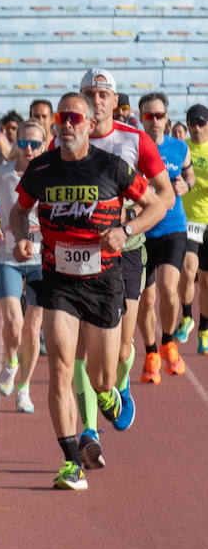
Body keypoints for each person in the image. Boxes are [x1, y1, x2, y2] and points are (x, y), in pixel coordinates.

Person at [10, 91, 165, 489]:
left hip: (103, 281)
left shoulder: (113, 168)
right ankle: (69, 462)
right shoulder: (41, 169)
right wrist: (20, 237)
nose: (67, 124)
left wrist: (127, 230)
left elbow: (157, 206)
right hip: (58, 281)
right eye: (62, 117)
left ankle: (109, 396)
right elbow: (18, 209)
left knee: (101, 378)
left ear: (90, 126)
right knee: (60, 366)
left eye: (75, 118)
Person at [72, 68, 172, 461]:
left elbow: (162, 196)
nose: (96, 100)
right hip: (80, 253)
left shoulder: (135, 140)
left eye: (102, 94)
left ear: (115, 101)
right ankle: (89, 433)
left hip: (127, 249)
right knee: (82, 347)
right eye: (88, 93)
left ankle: (120, 383)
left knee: (117, 351)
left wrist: (128, 222)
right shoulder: (65, 140)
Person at [0, 120, 46, 413]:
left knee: (32, 331)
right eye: (24, 143)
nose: (29, 149)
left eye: (35, 144)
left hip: (43, 259)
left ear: (44, 147)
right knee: (13, 323)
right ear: (16, 144)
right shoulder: (3, 174)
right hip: (8, 258)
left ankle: (24, 388)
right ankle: (10, 361)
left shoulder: (50, 175)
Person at [135, 92, 193, 384]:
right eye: (149, 115)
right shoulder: (134, 149)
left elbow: (189, 177)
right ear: (141, 117)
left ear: (167, 118)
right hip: (144, 231)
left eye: (159, 115)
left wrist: (186, 184)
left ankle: (168, 341)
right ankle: (150, 353)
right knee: (146, 300)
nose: (154, 121)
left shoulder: (180, 148)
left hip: (172, 228)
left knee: (170, 289)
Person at [180, 104, 208, 354]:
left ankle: (204, 331)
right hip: (189, 220)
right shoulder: (183, 149)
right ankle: (187, 316)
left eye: (200, 122)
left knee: (207, 281)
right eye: (192, 123)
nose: (196, 128)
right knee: (188, 271)